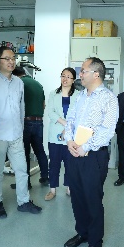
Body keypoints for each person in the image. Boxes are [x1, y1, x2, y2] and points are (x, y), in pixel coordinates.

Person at [63, 57, 118, 247]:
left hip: (93, 155)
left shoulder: (109, 98)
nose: (80, 74)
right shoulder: (79, 96)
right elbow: (70, 120)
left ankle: (95, 241)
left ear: (96, 74)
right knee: (76, 195)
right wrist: (70, 141)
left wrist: (85, 147)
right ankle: (82, 232)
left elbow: (107, 129)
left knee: (92, 198)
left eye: (83, 71)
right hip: (74, 151)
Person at [0, 46, 42, 219]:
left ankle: (24, 201)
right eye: (7, 58)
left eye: (13, 58)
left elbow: (21, 108)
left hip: (16, 134)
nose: (11, 61)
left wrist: (20, 128)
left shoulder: (19, 82)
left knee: (21, 169)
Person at [12, 66, 49, 188]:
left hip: (25, 122)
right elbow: (43, 105)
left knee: (24, 153)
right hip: (39, 122)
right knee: (40, 151)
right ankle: (45, 178)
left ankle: (25, 183)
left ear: (15, 75)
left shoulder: (19, 82)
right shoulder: (38, 84)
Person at [44, 67, 77, 200]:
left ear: (73, 80)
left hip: (71, 136)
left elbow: (78, 114)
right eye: (63, 76)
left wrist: (68, 127)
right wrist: (65, 124)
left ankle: (69, 188)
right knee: (54, 163)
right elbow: (50, 112)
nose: (65, 79)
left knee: (70, 163)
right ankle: (52, 190)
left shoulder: (79, 95)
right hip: (55, 135)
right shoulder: (53, 94)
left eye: (68, 76)